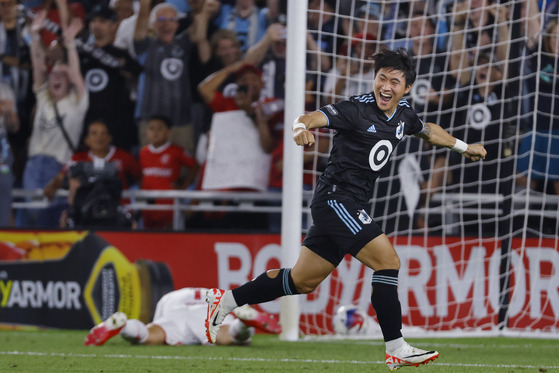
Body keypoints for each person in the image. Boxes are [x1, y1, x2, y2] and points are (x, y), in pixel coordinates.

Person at [205, 47, 487, 370]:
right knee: (388, 260)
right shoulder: (356, 110)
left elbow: (428, 131)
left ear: (406, 88)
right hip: (335, 200)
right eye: (381, 78)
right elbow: (311, 117)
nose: (385, 86)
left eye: (394, 81)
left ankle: (224, 301)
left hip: (348, 204)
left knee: (302, 281)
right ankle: (396, 347)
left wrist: (464, 148)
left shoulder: (404, 113)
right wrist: (301, 129)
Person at [16, 9, 88, 228]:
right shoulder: (44, 99)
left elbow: (76, 75)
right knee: (28, 216)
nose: (56, 77)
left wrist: (70, 44)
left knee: (51, 219)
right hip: (34, 162)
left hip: (57, 166)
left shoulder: (77, 104)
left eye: (62, 76)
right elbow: (38, 65)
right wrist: (35, 36)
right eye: (53, 75)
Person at [84, 287, 281, 346]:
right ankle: (243, 323)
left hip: (175, 303)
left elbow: (158, 323)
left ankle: (123, 324)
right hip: (214, 302)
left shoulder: (171, 296)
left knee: (150, 334)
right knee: (227, 335)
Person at [43, 120, 141, 228]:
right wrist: (52, 186)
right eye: (94, 133)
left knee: (133, 224)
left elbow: (140, 177)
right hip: (85, 212)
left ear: (109, 138)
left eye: (103, 133)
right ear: (87, 140)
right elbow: (61, 177)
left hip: (117, 211)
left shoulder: (124, 157)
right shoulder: (78, 158)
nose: (99, 137)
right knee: (65, 217)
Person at [79, 4, 141, 152]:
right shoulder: (80, 53)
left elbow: (135, 73)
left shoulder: (122, 54)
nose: (97, 25)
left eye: (103, 21)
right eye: (93, 21)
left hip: (117, 122)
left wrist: (124, 68)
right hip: (87, 119)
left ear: (114, 25)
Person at [139, 115, 198, 229]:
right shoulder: (143, 152)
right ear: (146, 132)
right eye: (151, 128)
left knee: (169, 236)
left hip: (169, 204)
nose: (155, 132)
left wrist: (184, 186)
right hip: (148, 204)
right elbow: (140, 175)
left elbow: (195, 165)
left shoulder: (176, 151)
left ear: (168, 132)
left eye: (160, 128)